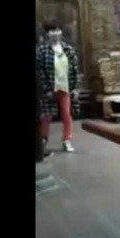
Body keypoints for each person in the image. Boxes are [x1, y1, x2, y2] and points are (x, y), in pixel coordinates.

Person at [36, 23, 80, 153]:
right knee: (46, 116)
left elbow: (74, 70)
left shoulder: (68, 49)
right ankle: (43, 139)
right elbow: (39, 70)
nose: (55, 33)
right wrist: (45, 88)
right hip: (49, 87)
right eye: (52, 31)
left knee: (66, 114)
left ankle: (67, 140)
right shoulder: (42, 51)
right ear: (47, 34)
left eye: (57, 30)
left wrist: (75, 88)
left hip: (64, 86)